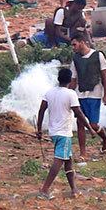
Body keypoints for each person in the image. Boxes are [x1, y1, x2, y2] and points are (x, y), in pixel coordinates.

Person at [37, 68, 94, 199]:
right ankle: (44, 189)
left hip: (53, 132)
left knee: (68, 161)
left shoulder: (49, 92)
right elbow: (78, 113)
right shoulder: (70, 94)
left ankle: (74, 189)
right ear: (70, 80)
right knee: (59, 160)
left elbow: (41, 110)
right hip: (64, 133)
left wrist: (39, 129)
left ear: (58, 79)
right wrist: (89, 128)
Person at [69, 34, 106, 159]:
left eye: (74, 44)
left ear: (82, 42)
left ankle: (105, 139)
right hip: (80, 94)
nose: (73, 47)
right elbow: (73, 79)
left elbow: (104, 75)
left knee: (93, 124)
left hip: (95, 93)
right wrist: (66, 93)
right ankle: (83, 153)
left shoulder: (98, 55)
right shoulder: (75, 59)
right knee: (80, 123)